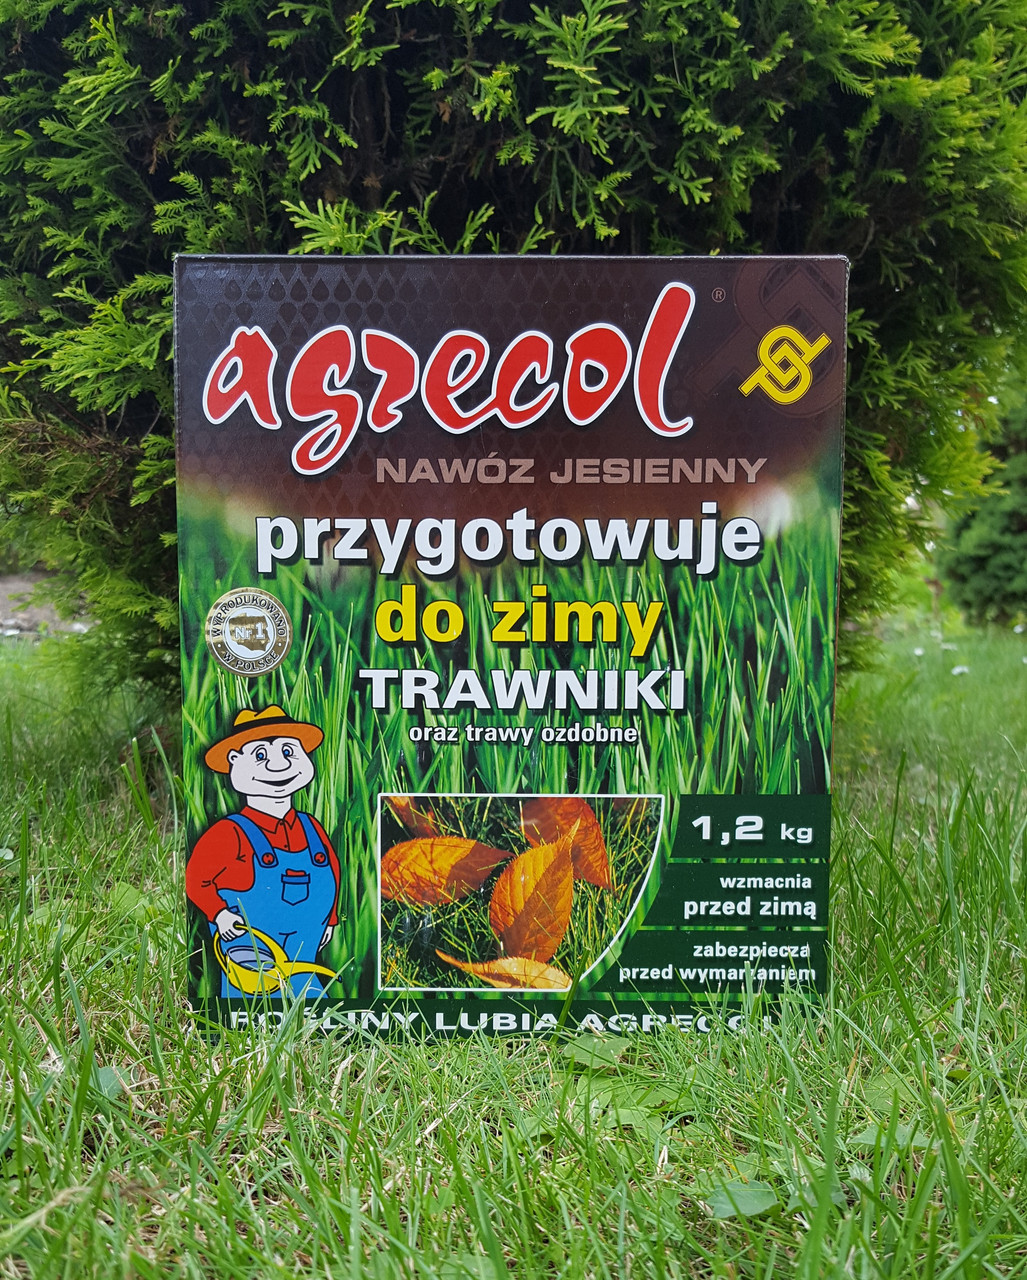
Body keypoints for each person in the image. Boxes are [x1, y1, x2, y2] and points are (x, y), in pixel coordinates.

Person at [186, 705, 340, 996]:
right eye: (260, 755)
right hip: (252, 968)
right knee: (253, 1000)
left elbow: (332, 870)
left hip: (304, 967)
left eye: (288, 752)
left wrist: (330, 919)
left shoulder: (311, 827)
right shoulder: (228, 833)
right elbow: (195, 878)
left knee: (313, 1002)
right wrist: (219, 913)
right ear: (234, 762)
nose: (279, 765)